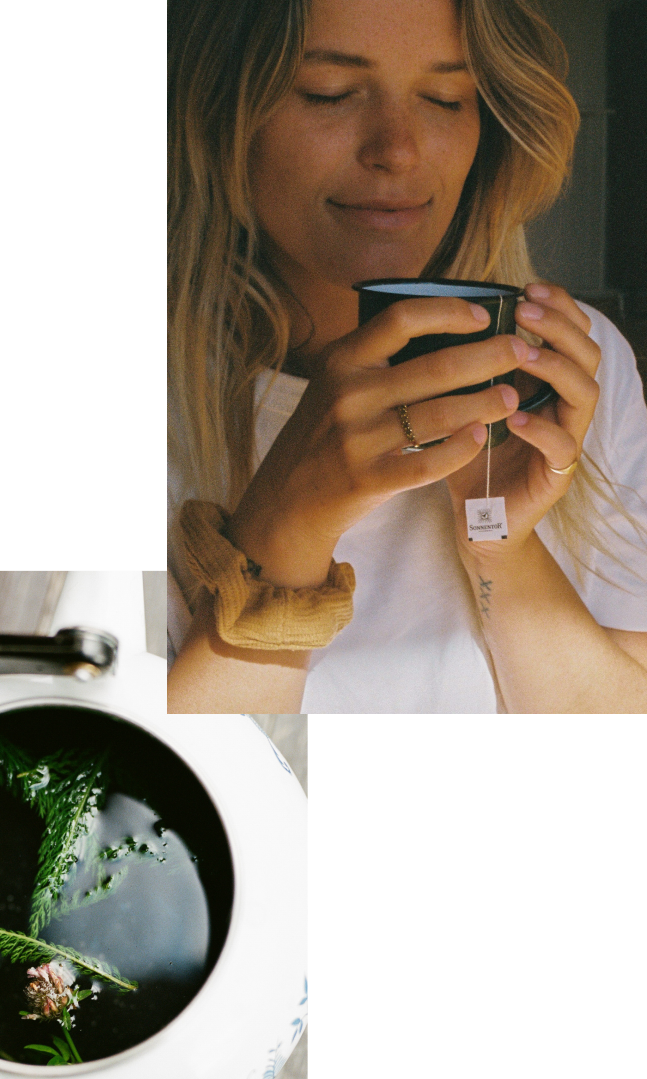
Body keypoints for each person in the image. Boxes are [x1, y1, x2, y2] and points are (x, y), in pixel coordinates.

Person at [167, 0, 647, 713]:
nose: (398, 147)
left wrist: (499, 547)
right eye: (328, 94)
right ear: (224, 115)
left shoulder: (574, 364)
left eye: (445, 98)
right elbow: (123, 806)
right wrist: (287, 528)